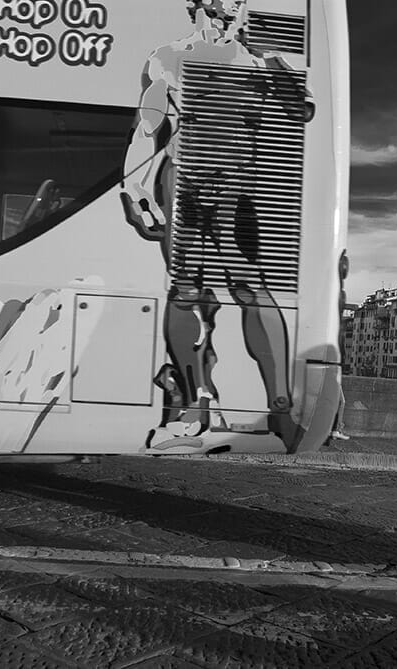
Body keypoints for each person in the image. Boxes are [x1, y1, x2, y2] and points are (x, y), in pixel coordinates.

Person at [120, 0, 313, 450]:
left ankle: (281, 406)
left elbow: (301, 110)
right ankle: (194, 402)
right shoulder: (167, 57)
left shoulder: (259, 61)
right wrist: (133, 185)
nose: (234, 8)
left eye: (240, 5)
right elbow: (149, 126)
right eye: (226, 4)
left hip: (236, 187)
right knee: (185, 290)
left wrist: (272, 61)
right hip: (182, 183)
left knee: (249, 287)